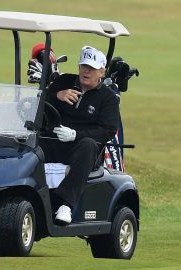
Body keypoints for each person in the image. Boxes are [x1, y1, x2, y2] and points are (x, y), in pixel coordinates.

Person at [40, 45, 121, 224]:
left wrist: (76, 135)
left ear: (101, 71)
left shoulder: (108, 98)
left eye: (91, 68)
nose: (86, 71)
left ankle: (65, 205)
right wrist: (56, 95)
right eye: (83, 66)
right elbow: (37, 103)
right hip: (53, 140)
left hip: (81, 149)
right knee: (29, 141)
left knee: (89, 145)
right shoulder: (63, 82)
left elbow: (107, 130)